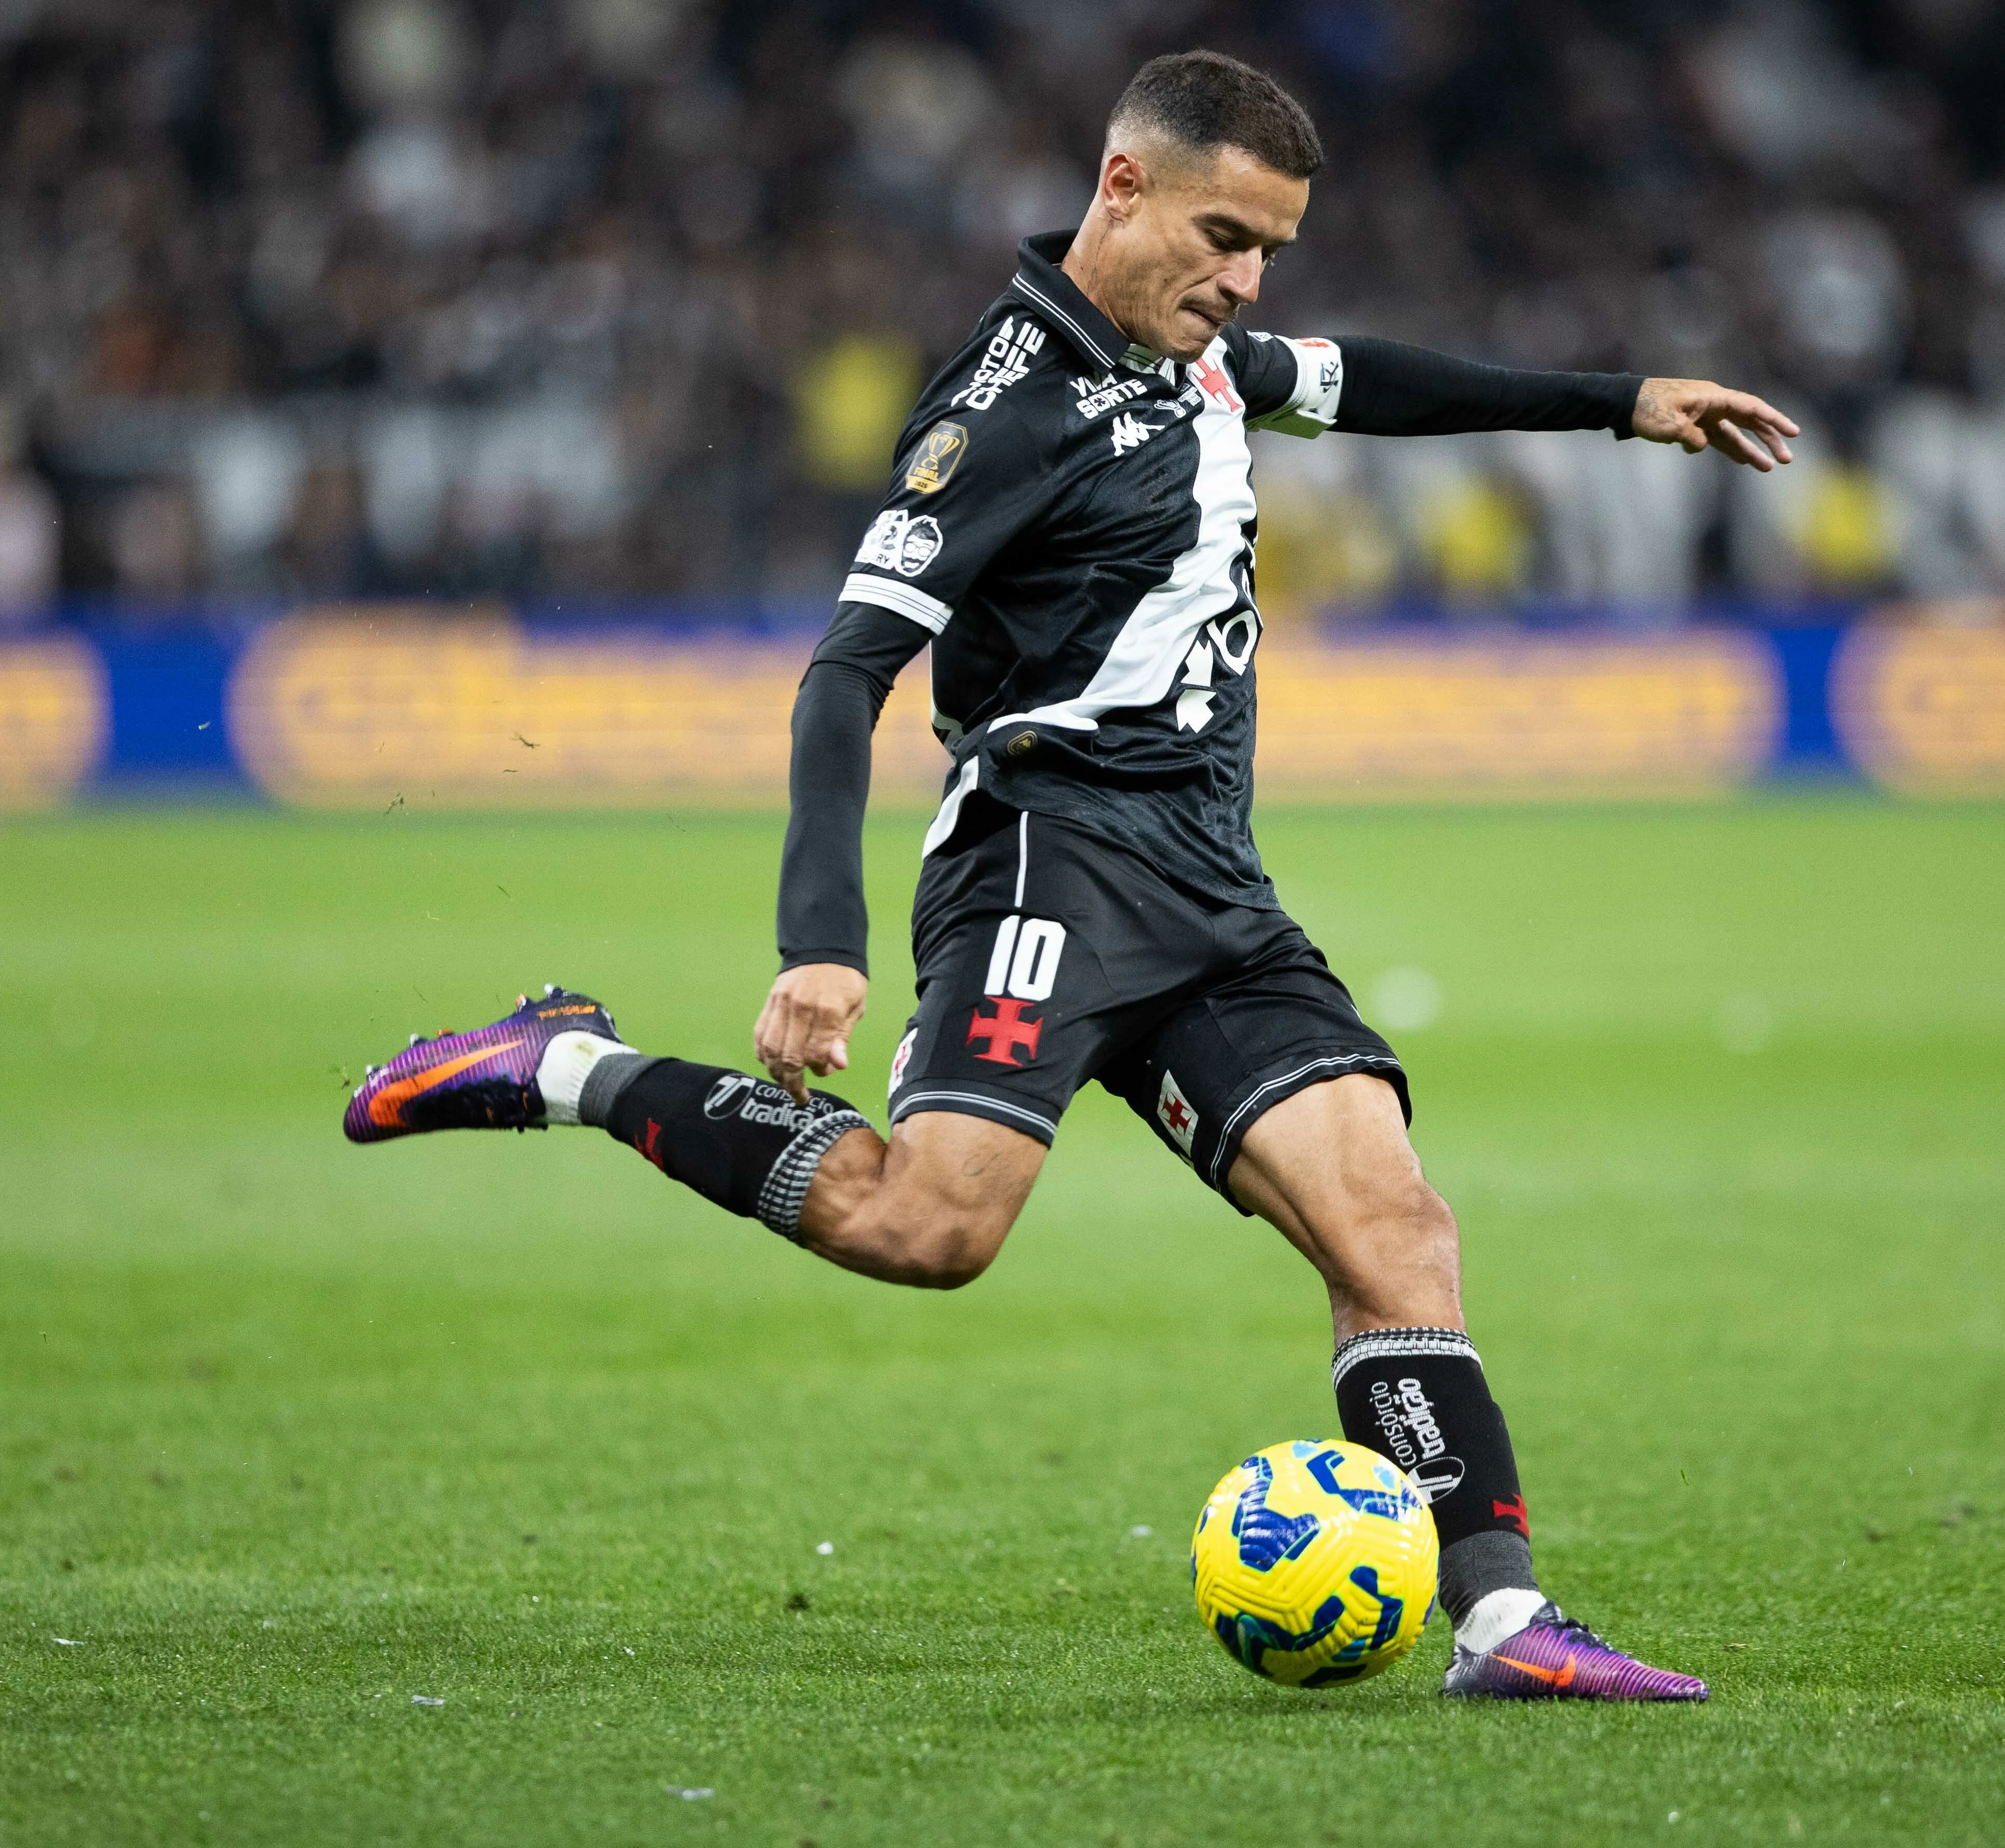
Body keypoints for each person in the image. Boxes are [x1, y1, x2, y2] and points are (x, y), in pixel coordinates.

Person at [344, 49, 1795, 1703]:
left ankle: (1499, 1625)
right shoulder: (1004, 405)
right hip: (1048, 860)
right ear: (1122, 188)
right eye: (1225, 237)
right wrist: (816, 942)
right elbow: (844, 671)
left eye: (1269, 253)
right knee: (927, 1226)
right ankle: (569, 1064)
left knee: (1396, 1228)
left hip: (1209, 886)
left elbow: (1368, 378)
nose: (1245, 283)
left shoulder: (1205, 357)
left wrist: (1623, 402)